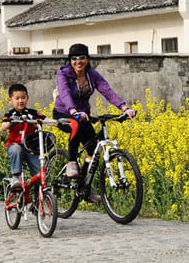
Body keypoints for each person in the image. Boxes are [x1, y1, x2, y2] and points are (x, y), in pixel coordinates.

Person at [53, 43, 136, 203]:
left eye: (82, 57)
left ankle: (84, 185)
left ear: (88, 59)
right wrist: (73, 111)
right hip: (64, 113)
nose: (78, 61)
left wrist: (125, 107)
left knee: (94, 151)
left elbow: (107, 91)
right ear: (70, 60)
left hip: (83, 115)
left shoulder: (92, 75)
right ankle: (71, 162)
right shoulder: (63, 73)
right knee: (75, 125)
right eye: (74, 58)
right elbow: (64, 93)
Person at [0, 83, 45, 210]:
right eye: (17, 98)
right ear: (10, 99)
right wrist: (11, 122)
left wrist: (59, 122)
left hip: (30, 149)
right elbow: (3, 127)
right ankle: (15, 177)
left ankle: (39, 202)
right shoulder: (10, 114)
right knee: (16, 148)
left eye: (23, 97)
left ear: (27, 98)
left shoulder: (32, 113)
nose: (21, 100)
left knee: (40, 175)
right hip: (15, 146)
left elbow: (45, 119)